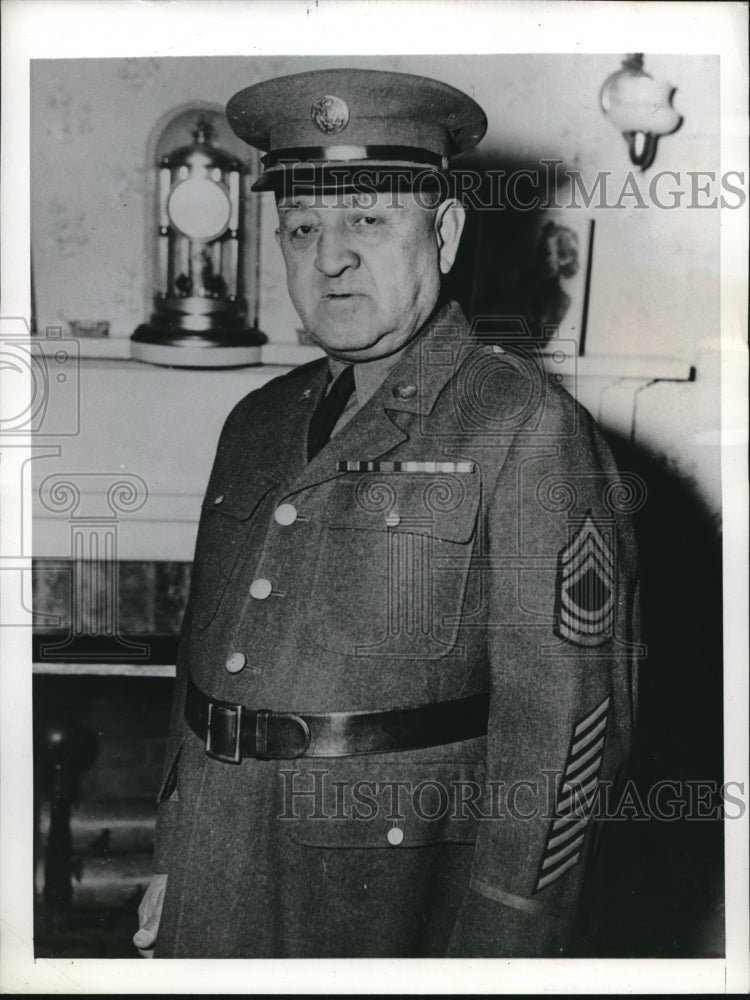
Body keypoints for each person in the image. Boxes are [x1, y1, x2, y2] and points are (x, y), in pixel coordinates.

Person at [134, 68, 639, 958]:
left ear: (443, 235)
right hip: (217, 869)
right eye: (303, 227)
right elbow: (203, 660)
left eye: (367, 220)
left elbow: (566, 735)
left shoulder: (523, 427)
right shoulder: (256, 422)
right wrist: (175, 851)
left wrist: (507, 943)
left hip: (384, 907)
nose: (329, 257)